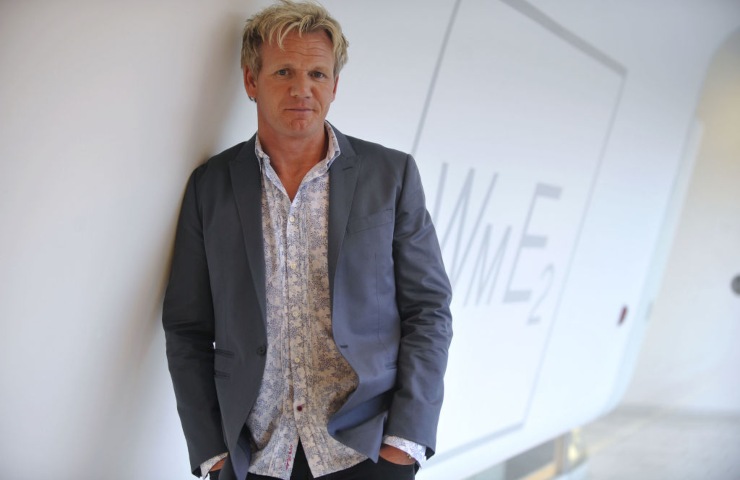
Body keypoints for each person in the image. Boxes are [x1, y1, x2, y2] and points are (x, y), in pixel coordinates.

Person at [162, 1, 452, 479]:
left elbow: (429, 308)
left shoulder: (390, 175)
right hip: (255, 457)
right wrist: (212, 453)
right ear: (251, 81)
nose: (302, 89)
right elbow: (187, 327)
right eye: (283, 72)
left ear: (335, 85)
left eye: (318, 74)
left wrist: (407, 442)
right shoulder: (210, 187)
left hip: (366, 451)